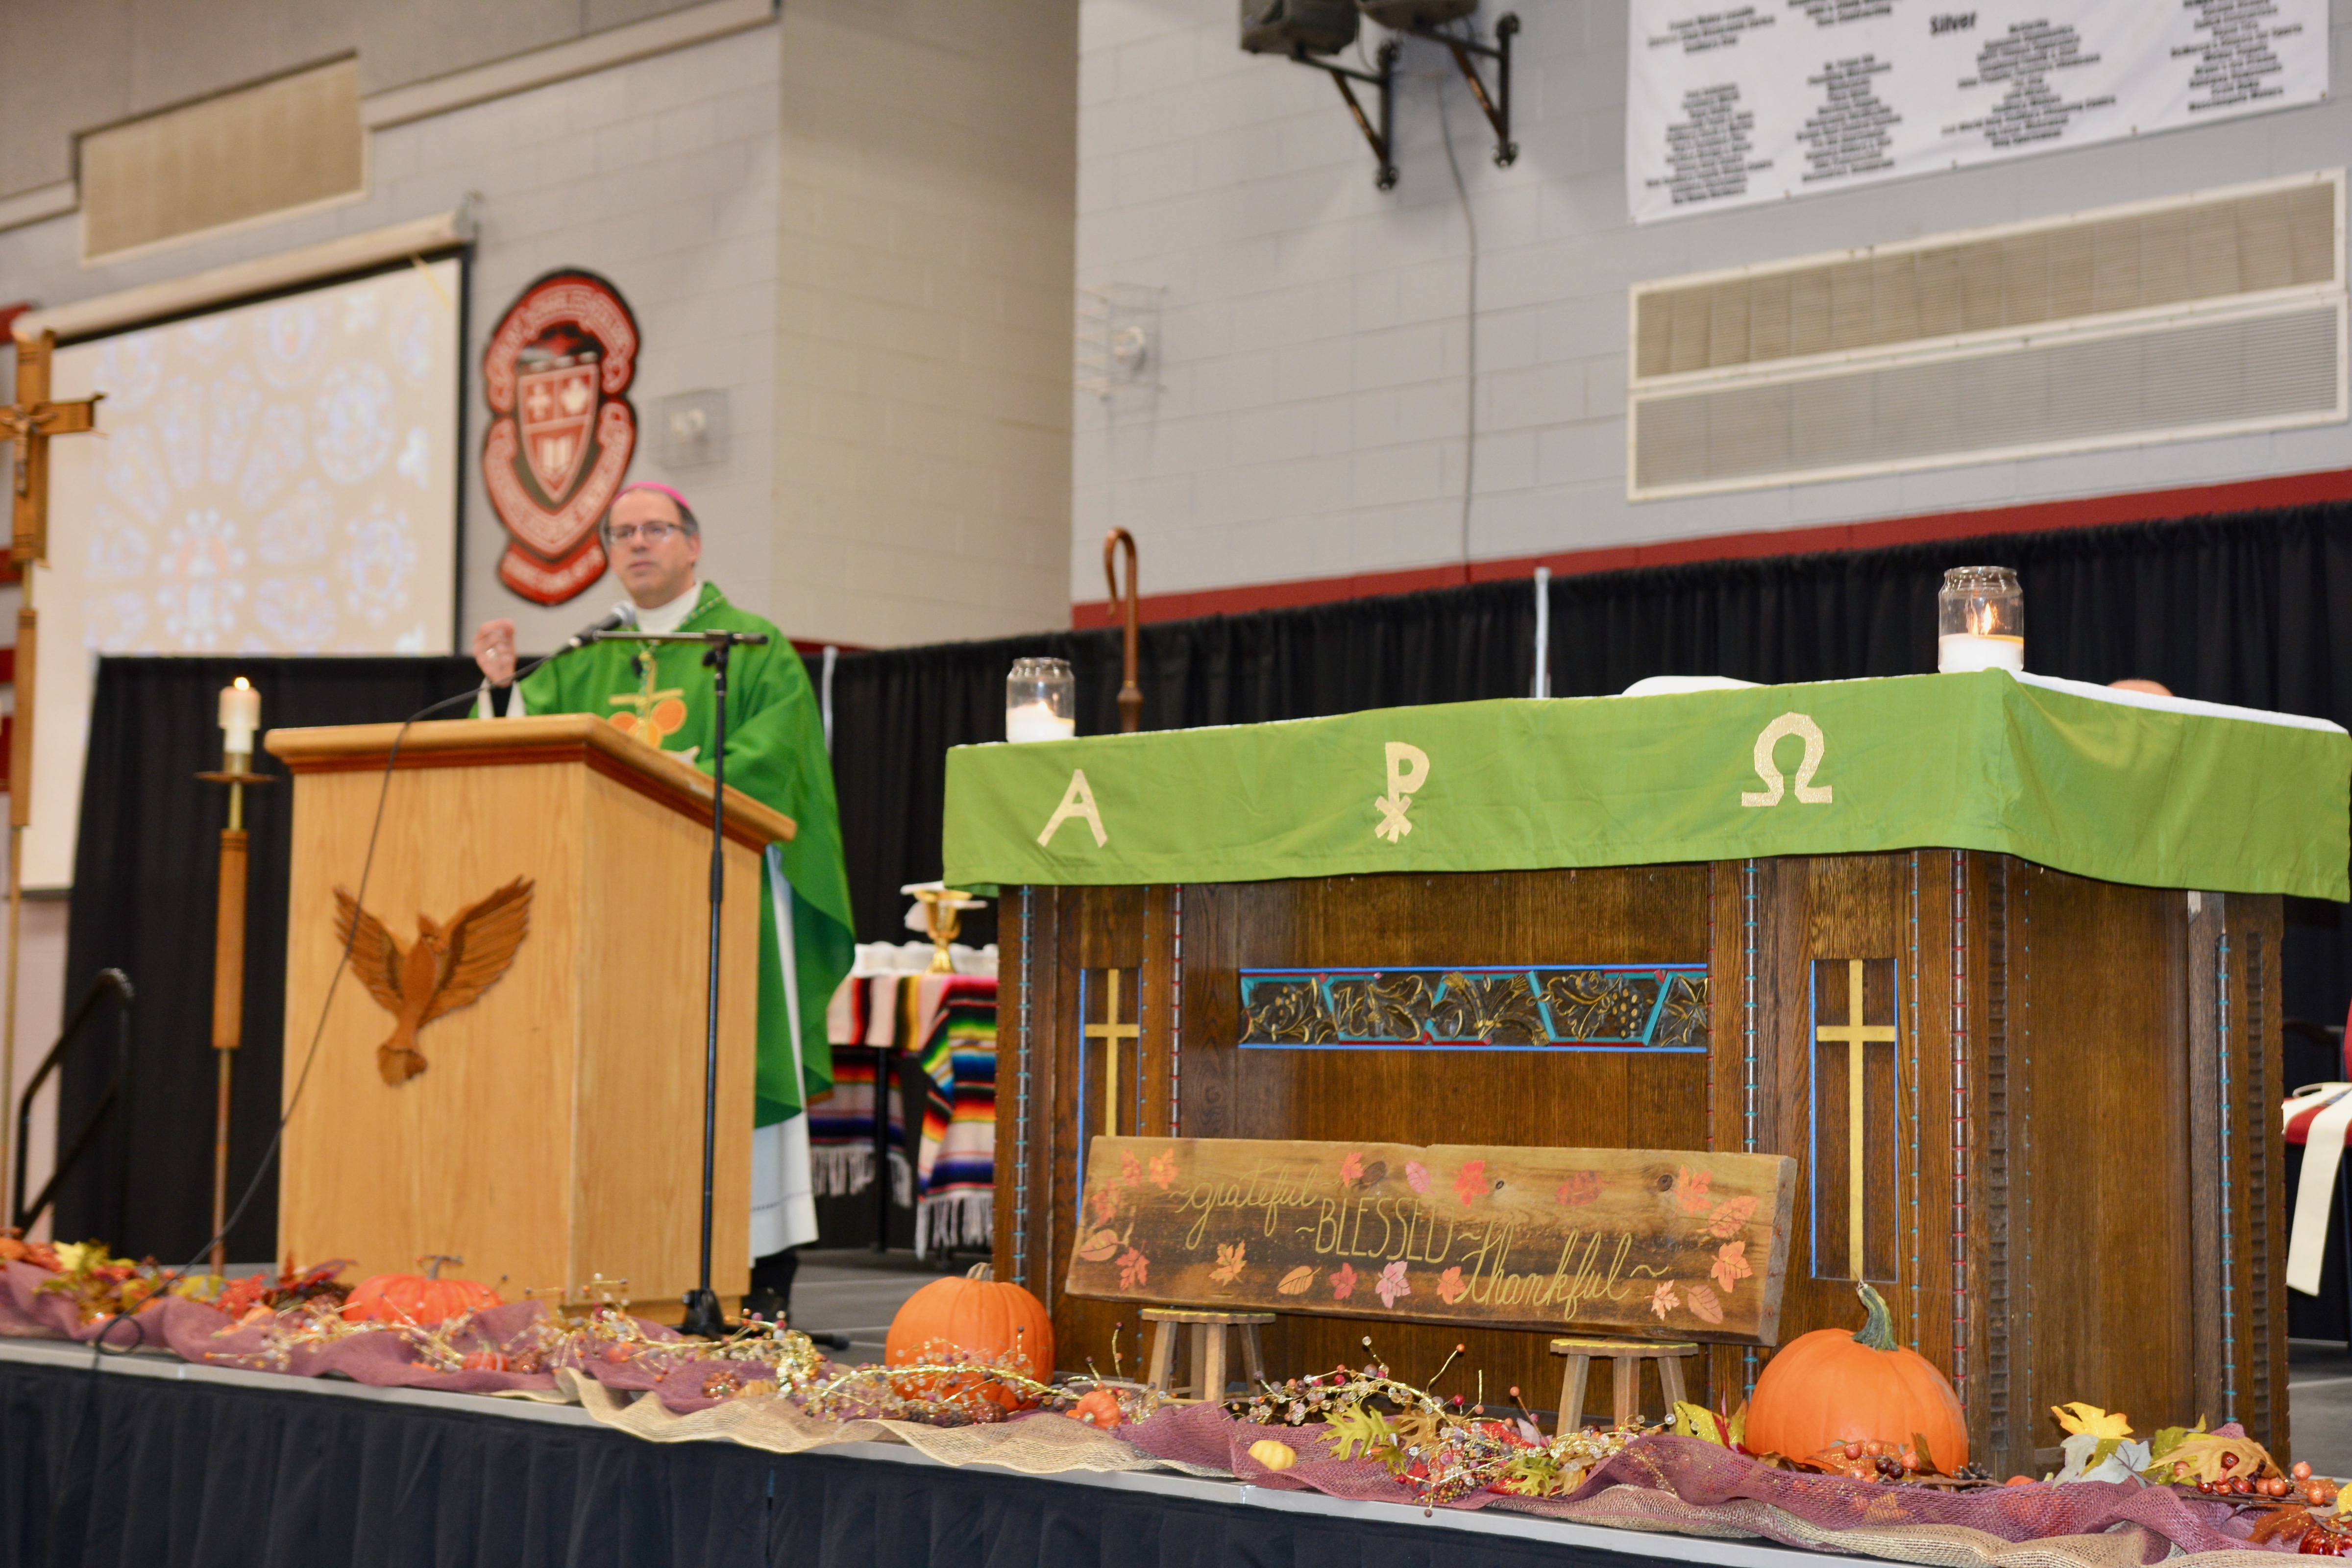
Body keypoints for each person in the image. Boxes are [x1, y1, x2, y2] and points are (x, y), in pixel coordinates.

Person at [473, 481, 854, 1323]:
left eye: (655, 529)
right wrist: (504, 688)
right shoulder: (582, 658)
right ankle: (625, 1267)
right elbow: (523, 751)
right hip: (612, 917)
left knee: (735, 1069)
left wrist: (669, 776)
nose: (637, 543)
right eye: (622, 532)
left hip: (727, 900)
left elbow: (775, 760)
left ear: (692, 546)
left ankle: (757, 1284)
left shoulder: (753, 649)